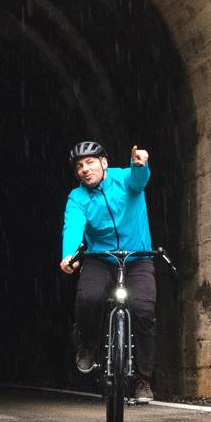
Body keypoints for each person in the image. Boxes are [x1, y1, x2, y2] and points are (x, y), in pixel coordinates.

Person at [60, 140, 156, 404]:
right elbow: (73, 226)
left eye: (90, 162)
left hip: (138, 258)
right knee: (88, 298)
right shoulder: (77, 197)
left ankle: (143, 379)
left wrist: (140, 165)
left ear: (104, 163)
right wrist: (69, 255)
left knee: (144, 311)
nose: (85, 169)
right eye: (79, 166)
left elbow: (139, 180)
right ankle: (88, 345)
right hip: (100, 259)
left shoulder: (124, 178)